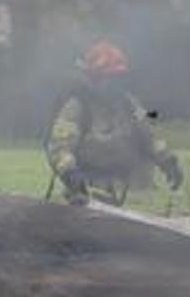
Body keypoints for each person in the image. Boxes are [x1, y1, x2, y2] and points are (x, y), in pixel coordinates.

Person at [45, 41, 182, 206]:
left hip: (125, 187)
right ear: (95, 78)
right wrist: (71, 174)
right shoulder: (77, 106)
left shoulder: (128, 103)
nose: (116, 84)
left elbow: (149, 134)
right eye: (110, 78)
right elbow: (60, 146)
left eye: (119, 78)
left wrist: (168, 161)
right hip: (86, 188)